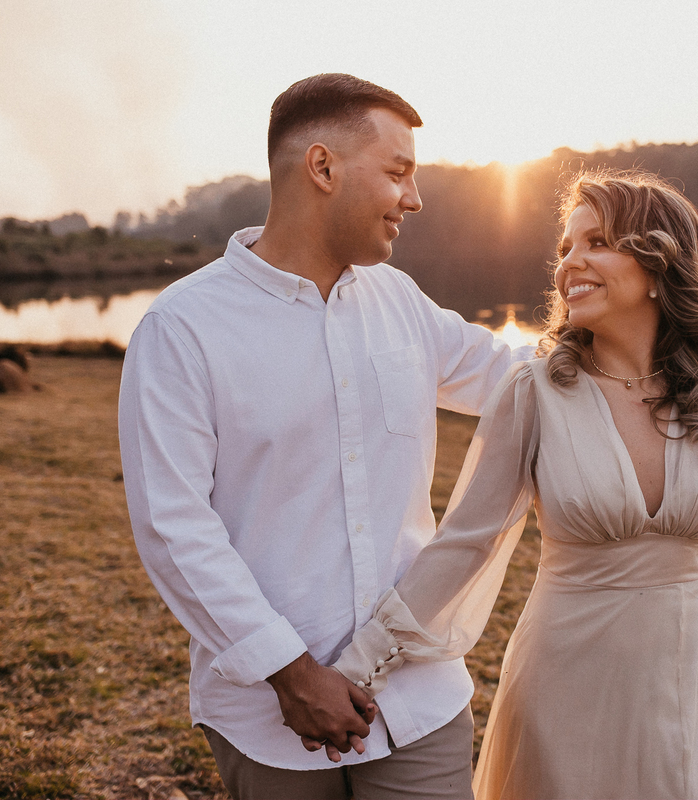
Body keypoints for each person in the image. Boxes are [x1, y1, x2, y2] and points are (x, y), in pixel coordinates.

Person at [118, 74, 534, 799]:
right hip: (268, 719)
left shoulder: (399, 301)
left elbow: (520, 377)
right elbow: (173, 525)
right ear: (322, 167)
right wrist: (291, 671)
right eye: (399, 172)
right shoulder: (182, 329)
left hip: (419, 698)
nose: (415, 197)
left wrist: (673, 358)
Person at [332, 171, 698, 799]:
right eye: (564, 247)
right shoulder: (535, 393)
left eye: (597, 241)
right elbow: (465, 543)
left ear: (659, 266)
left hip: (695, 684)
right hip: (565, 685)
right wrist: (360, 663)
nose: (570, 261)